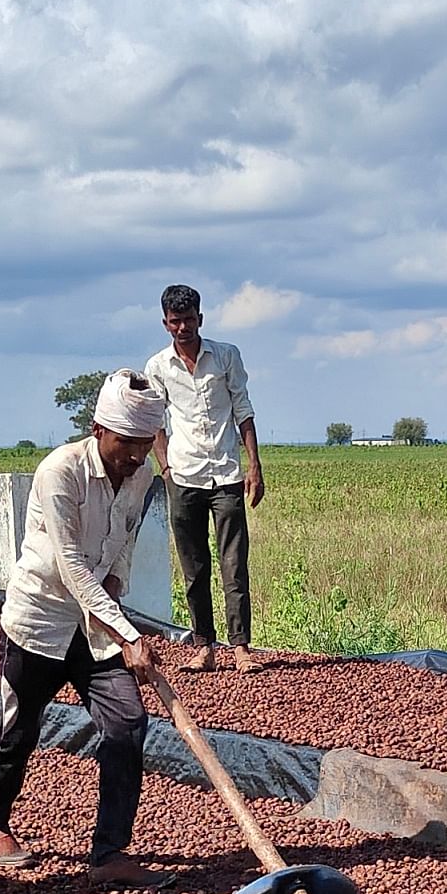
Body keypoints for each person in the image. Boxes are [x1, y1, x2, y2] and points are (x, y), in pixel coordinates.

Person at [0, 371, 169, 881]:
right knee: (19, 727)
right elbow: (70, 565)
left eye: (145, 445)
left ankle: (109, 854)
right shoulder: (60, 471)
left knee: (127, 723)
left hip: (95, 625)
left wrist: (117, 594)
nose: (135, 456)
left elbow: (122, 542)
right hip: (39, 618)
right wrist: (128, 634)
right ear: (98, 428)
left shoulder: (144, 477)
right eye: (127, 443)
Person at [146, 283, 263, 672]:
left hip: (226, 474)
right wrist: (165, 468)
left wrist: (254, 466)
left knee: (234, 563)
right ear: (165, 323)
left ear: (201, 318)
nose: (184, 328)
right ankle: (204, 647)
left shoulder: (226, 356)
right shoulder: (158, 366)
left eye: (189, 320)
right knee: (194, 566)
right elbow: (155, 422)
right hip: (184, 475)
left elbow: (243, 410)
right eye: (176, 321)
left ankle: (241, 647)